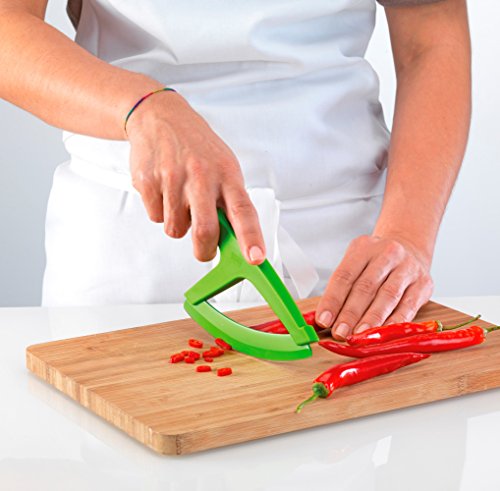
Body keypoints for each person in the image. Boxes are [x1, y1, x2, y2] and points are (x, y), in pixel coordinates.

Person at [0, 0, 470, 340]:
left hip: (343, 246)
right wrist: (142, 106)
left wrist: (407, 235)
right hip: (130, 240)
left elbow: (431, 38)